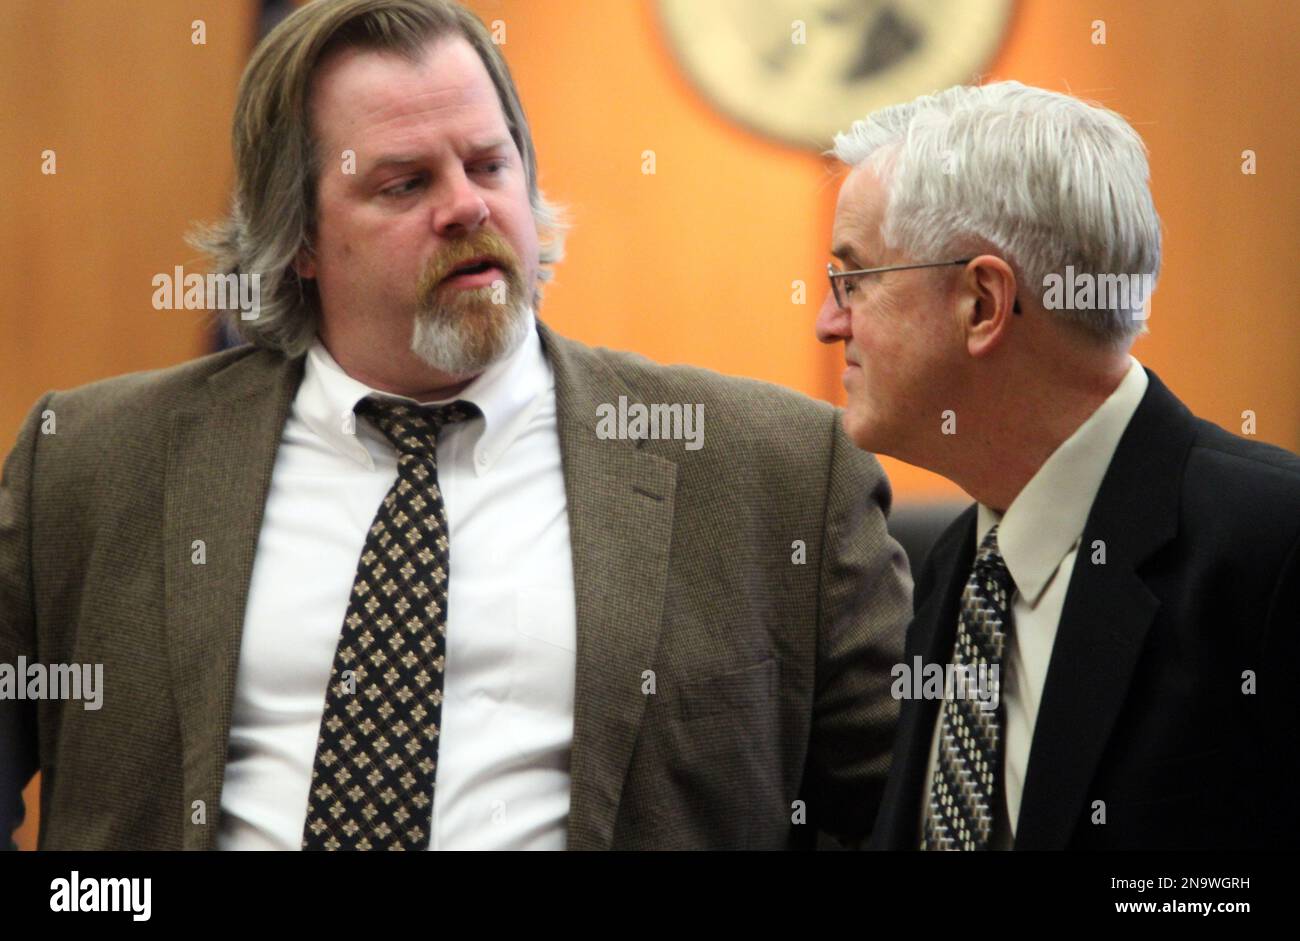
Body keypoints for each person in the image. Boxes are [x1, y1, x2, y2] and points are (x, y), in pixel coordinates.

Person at [0, 0, 911, 851]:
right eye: (404, 184)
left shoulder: (770, 472)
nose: (468, 207)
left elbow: (910, 809)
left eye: (488, 164)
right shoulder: (87, 466)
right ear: (301, 238)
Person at [815, 80, 1300, 850]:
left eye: (855, 279)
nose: (827, 321)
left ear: (981, 302)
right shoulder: (957, 567)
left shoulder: (1271, 547)